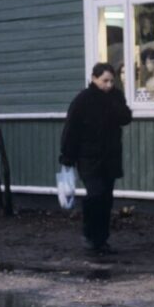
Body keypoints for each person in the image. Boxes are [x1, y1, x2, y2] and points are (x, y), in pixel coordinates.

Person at [59, 63, 133, 256]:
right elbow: (71, 129)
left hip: (110, 157)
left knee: (106, 199)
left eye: (111, 81)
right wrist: (67, 157)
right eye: (104, 81)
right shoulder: (83, 100)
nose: (108, 85)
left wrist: (111, 102)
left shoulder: (116, 97)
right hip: (88, 158)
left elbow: (126, 117)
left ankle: (101, 240)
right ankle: (89, 234)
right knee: (96, 194)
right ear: (94, 78)